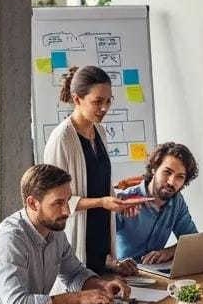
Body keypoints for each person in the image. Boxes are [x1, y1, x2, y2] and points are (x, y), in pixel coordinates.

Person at [0, 163, 132, 304]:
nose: (67, 211)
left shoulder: (54, 230)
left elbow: (74, 273)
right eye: (58, 203)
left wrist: (101, 285)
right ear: (33, 203)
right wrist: (76, 298)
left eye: (68, 201)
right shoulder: (9, 240)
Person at [43, 65, 150, 275]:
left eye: (108, 101)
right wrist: (102, 202)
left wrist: (119, 204)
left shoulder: (100, 131)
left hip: (101, 244)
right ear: (77, 99)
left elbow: (100, 185)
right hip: (76, 243)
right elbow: (55, 201)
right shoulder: (62, 139)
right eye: (97, 101)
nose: (104, 108)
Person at [115, 142, 199, 263]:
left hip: (155, 270)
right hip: (122, 270)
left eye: (180, 177)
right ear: (154, 169)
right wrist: (115, 265)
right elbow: (95, 246)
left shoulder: (177, 201)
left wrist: (168, 252)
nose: (171, 182)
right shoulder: (124, 200)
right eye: (167, 172)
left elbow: (192, 240)